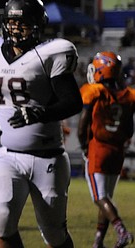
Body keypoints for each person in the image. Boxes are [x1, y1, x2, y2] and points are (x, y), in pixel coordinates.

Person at [0, 0, 82, 248]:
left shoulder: (51, 53)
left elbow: (72, 102)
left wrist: (40, 113)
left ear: (37, 25)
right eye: (12, 23)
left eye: (22, 23)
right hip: (7, 155)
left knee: (54, 234)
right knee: (1, 220)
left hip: (48, 157)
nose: (16, 29)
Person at [78, 51, 135, 248]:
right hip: (117, 151)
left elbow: (83, 122)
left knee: (99, 197)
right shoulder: (128, 96)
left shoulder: (94, 91)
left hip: (98, 149)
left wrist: (84, 143)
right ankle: (98, 241)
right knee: (106, 198)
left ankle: (122, 231)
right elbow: (129, 129)